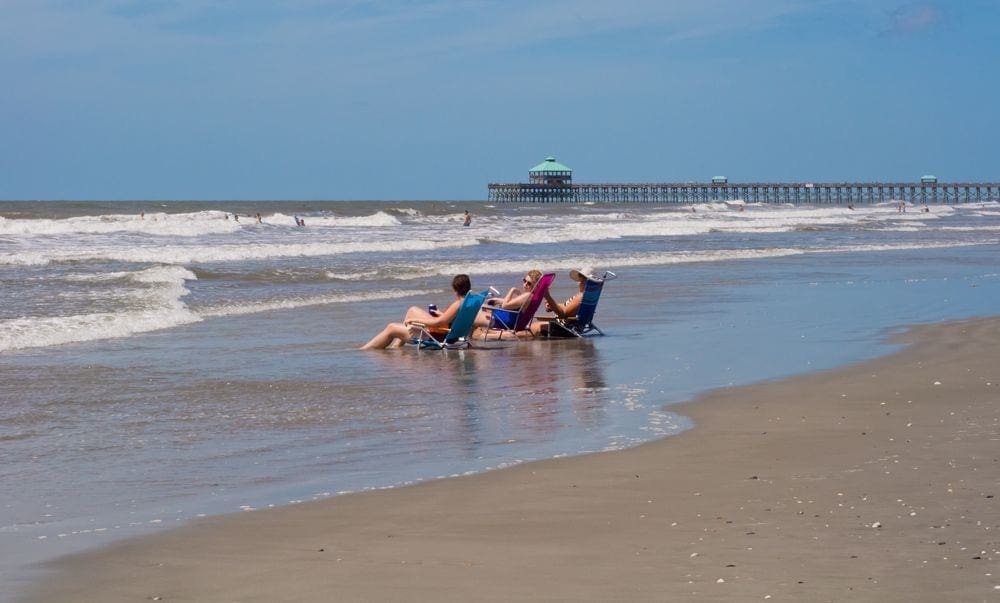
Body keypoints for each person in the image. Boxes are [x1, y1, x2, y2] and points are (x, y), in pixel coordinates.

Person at [361, 274, 475, 350]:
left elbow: (439, 323)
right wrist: (441, 314)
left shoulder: (457, 304)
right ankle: (397, 345)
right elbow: (449, 319)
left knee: (391, 328)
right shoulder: (471, 302)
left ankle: (365, 350)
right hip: (448, 332)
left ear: (455, 290)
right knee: (412, 309)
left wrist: (414, 320)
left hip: (438, 336)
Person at [531, 269, 589, 336]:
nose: (578, 282)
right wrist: (553, 305)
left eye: (580, 279)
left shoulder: (581, 297)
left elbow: (562, 314)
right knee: (533, 326)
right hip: (570, 326)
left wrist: (548, 296)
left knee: (529, 328)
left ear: (584, 282)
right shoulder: (586, 296)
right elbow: (567, 309)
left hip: (564, 328)